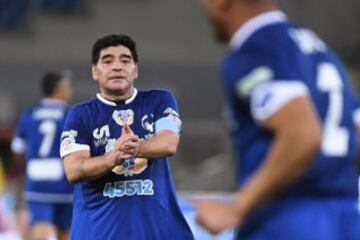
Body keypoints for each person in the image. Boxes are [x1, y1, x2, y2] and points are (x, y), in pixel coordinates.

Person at [196, 0, 360, 239]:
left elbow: (302, 135)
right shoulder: (318, 51)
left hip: (287, 219)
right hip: (345, 220)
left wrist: (235, 208)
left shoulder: (257, 49)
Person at [60, 34, 194, 240]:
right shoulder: (81, 114)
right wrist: (112, 157)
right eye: (107, 61)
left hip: (160, 233)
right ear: (94, 71)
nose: (117, 66)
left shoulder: (159, 100)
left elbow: (169, 143)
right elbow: (73, 170)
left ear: (135, 70)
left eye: (125, 60)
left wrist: (136, 148)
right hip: (100, 233)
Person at [11, 71, 73, 240]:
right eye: (67, 86)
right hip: (63, 178)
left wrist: (27, 168)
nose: (70, 90)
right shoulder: (70, 114)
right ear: (60, 89)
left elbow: (17, 150)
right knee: (65, 230)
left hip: (37, 176)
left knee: (41, 225)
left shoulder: (28, 114)